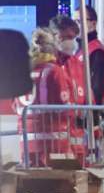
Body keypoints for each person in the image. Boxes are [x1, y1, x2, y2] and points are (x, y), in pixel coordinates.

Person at [15, 29, 74, 166]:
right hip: (53, 142)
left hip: (26, 143)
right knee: (60, 184)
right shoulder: (54, 71)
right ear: (52, 50)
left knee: (30, 184)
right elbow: (64, 106)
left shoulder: (22, 73)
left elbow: (15, 105)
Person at [49, 14, 87, 160]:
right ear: (54, 36)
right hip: (54, 143)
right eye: (66, 37)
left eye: (73, 38)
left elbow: (87, 99)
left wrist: (96, 131)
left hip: (77, 143)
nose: (71, 42)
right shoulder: (47, 66)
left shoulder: (77, 64)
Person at [75, 6, 104, 105]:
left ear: (93, 23)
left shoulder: (97, 51)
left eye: (79, 21)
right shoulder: (80, 49)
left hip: (88, 110)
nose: (75, 25)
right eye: (74, 22)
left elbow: (97, 88)